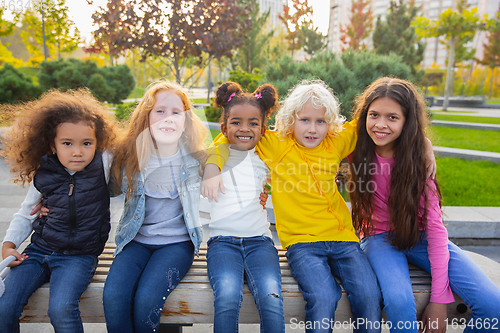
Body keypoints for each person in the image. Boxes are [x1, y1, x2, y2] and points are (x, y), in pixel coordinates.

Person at [203, 80, 387, 333]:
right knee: (323, 296)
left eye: (320, 121)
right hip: (302, 244)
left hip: (343, 239)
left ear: (329, 123)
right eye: (304, 120)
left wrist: (425, 145)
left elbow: (369, 122)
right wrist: (213, 164)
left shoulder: (335, 142)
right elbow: (231, 134)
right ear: (290, 120)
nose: (312, 129)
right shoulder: (276, 144)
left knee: (369, 294)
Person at [349, 77, 500, 333]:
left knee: (493, 308)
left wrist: (439, 300)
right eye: (373, 114)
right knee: (400, 303)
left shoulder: (418, 160)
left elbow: (435, 229)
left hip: (422, 237)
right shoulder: (354, 149)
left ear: (408, 122)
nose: (381, 124)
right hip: (378, 238)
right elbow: (315, 133)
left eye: (393, 117)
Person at [0, 89, 116, 333]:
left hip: (79, 257)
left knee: (61, 309)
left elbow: (133, 149)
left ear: (98, 142)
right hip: (38, 250)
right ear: (52, 145)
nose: (77, 151)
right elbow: (26, 213)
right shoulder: (45, 172)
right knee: (4, 307)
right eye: (67, 143)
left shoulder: (103, 164)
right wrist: (9, 243)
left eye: (87, 143)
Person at [102, 81, 208, 333]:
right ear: (146, 117)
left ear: (186, 121)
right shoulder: (131, 155)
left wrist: (259, 193)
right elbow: (105, 189)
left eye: (176, 112)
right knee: (114, 298)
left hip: (177, 244)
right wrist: (55, 198)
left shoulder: (197, 158)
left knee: (147, 300)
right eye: (160, 111)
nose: (167, 118)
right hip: (135, 241)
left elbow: (231, 181)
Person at [202, 82, 285, 333]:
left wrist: (267, 190)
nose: (245, 128)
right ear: (225, 127)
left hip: (259, 242)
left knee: (271, 298)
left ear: (263, 129)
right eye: (236, 122)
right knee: (227, 297)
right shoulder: (215, 155)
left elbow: (279, 176)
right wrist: (210, 169)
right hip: (222, 243)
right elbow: (213, 154)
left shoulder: (265, 157)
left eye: (253, 123)